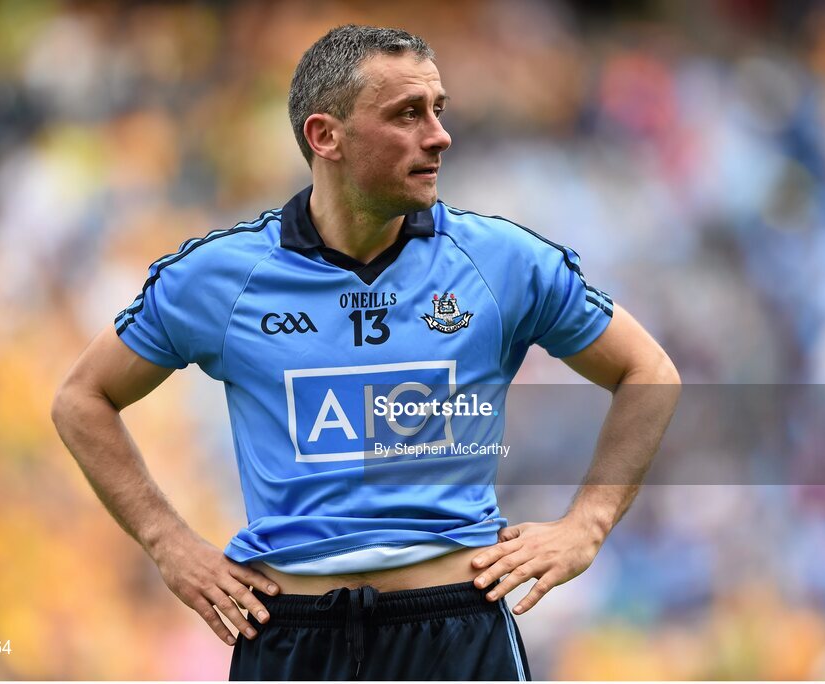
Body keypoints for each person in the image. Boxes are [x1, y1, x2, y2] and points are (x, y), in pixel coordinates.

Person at [52, 24, 681, 681]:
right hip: (291, 639)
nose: (438, 135)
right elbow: (81, 399)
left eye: (439, 110)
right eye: (408, 114)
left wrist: (587, 524)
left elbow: (648, 372)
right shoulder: (219, 277)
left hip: (456, 635)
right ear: (326, 136)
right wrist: (168, 543)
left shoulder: (503, 261)